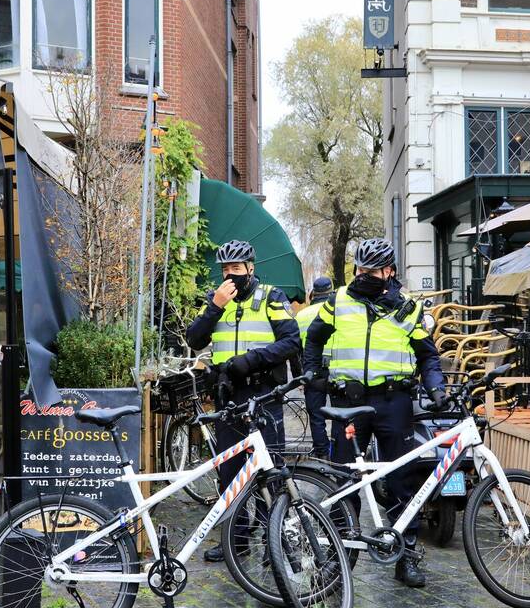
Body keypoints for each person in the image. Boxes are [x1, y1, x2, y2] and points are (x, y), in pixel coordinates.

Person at [303, 238, 444, 588]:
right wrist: (313, 374)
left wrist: (436, 388)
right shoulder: (338, 301)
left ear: (389, 272)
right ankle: (338, 556)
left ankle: (406, 555)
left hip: (394, 402)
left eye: (373, 271)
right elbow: (314, 339)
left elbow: (427, 355)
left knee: (401, 480)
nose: (364, 276)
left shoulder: (408, 309)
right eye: (361, 270)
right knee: (343, 480)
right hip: (348, 404)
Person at [185, 239, 300, 563]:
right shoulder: (215, 299)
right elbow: (194, 339)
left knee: (269, 468)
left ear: (250, 268)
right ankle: (235, 540)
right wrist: (215, 306)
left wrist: (252, 360)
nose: (230, 274)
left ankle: (272, 538)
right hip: (228, 396)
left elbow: (291, 341)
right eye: (225, 269)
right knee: (230, 471)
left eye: (236, 268)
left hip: (263, 394)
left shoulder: (271, 297)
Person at [296, 277, 334, 458]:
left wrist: (300, 376)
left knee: (316, 415)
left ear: (313, 293)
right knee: (341, 413)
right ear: (331, 291)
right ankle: (340, 451)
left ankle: (322, 452)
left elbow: (295, 349)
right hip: (339, 368)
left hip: (313, 370)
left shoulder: (302, 315)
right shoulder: (338, 309)